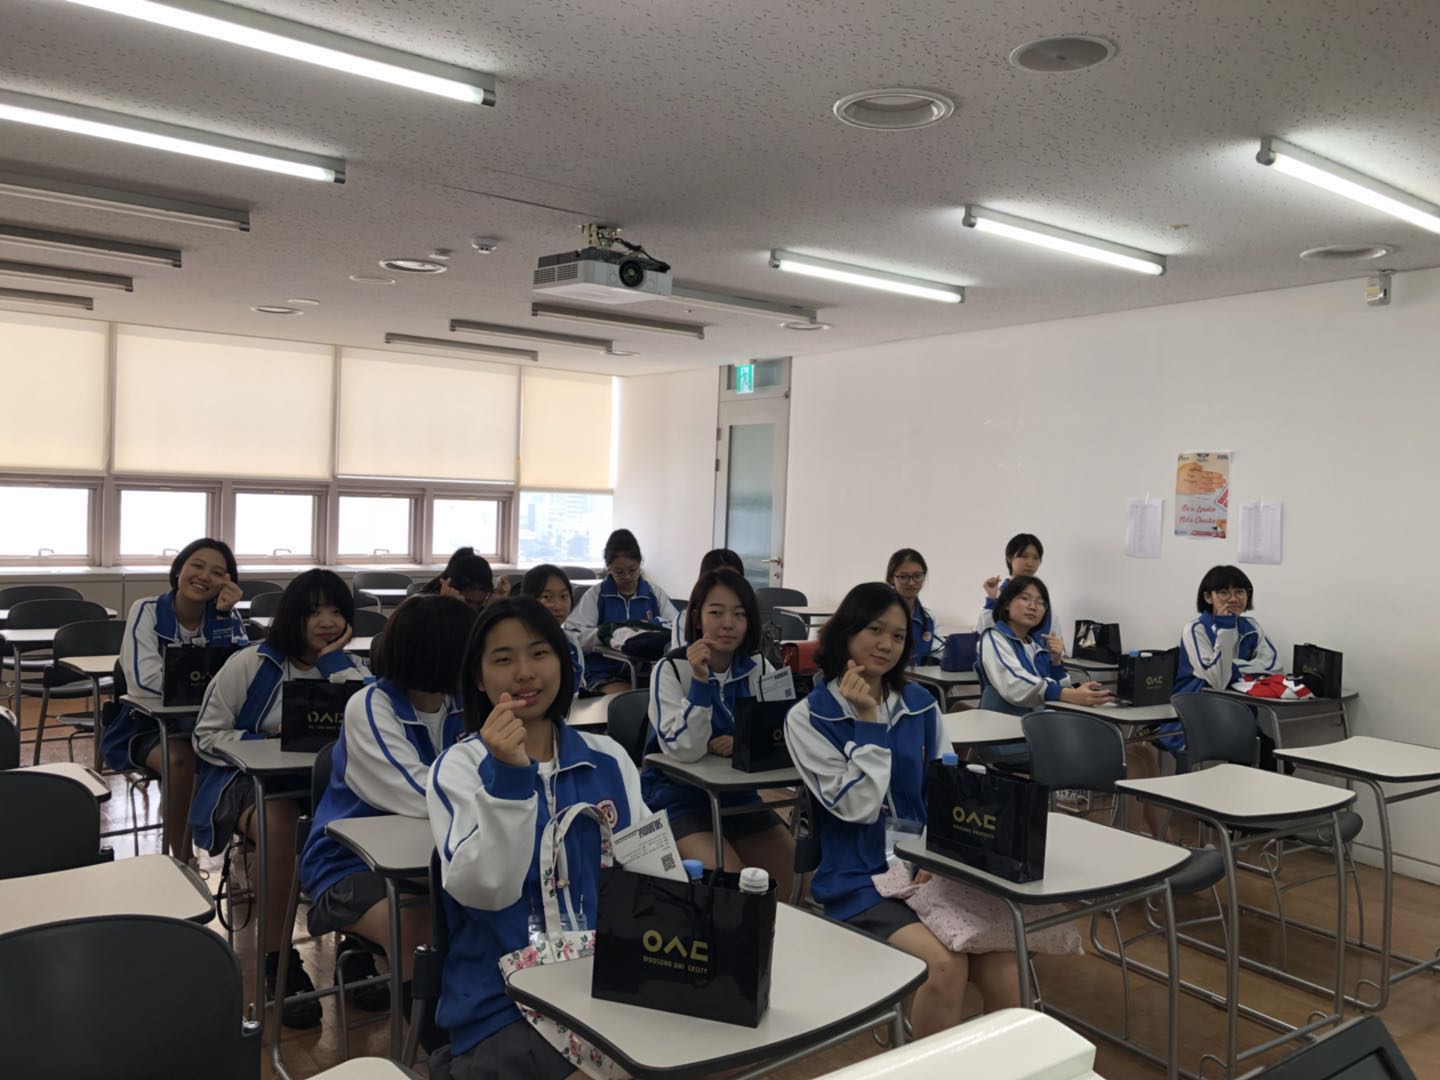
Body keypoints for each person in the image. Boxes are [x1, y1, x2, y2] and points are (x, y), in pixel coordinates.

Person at [785, 582, 1020, 1039]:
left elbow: (948, 791)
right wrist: (868, 723)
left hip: (926, 866)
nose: (886, 645)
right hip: (860, 877)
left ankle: (1003, 1066)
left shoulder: (920, 704)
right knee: (944, 967)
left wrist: (939, 856)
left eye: (897, 636)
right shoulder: (809, 717)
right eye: (875, 630)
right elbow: (858, 806)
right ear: (847, 632)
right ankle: (927, 1065)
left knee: (1006, 968)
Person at [427, 598, 648, 1078]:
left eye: (540, 653)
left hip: (606, 982)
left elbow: (650, 871)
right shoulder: (460, 768)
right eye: (504, 659)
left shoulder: (608, 758)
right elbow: (487, 890)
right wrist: (509, 779)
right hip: (504, 998)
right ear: (479, 678)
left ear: (564, 664)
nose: (525, 672)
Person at [190, 569, 369, 1028]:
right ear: (292, 615)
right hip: (249, 784)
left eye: (336, 611)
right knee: (280, 823)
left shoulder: (352, 669)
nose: (327, 621)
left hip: (326, 786)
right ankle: (278, 960)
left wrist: (334, 664)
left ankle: (359, 945)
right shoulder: (251, 664)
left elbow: (375, 729)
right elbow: (206, 735)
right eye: (314, 611)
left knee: (367, 818)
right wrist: (268, 739)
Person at [299, 594, 476, 1013]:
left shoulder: (463, 705)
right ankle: (428, 1036)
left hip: (437, 854)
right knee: (419, 926)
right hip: (348, 866)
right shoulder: (371, 706)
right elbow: (415, 791)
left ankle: (470, 1018)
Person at [644, 568, 795, 894]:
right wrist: (700, 682)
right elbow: (685, 750)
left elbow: (783, 734)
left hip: (740, 798)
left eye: (739, 614)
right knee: (732, 885)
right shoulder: (670, 670)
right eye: (716, 613)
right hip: (680, 800)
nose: (728, 623)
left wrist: (743, 740)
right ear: (697, 618)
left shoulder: (761, 667)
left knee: (793, 878)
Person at [100, 538, 247, 860]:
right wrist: (214, 694)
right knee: (181, 759)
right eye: (197, 566)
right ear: (179, 569)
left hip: (212, 724)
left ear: (227, 582)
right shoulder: (147, 610)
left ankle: (244, 857)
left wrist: (222, 617)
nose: (204, 576)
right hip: (147, 726)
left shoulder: (227, 617)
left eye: (217, 572)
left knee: (249, 756)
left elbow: (243, 677)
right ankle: (182, 860)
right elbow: (143, 681)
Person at [566, 528, 678, 693]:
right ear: (609, 568)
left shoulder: (653, 594)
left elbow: (677, 629)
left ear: (640, 564)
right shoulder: (597, 595)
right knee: (628, 697)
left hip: (649, 671)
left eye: (633, 570)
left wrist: (650, 627)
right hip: (605, 670)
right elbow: (572, 637)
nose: (627, 577)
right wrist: (608, 634)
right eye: (619, 572)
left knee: (668, 693)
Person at [1176, 565, 1279, 695]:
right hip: (1199, 698)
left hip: (1241, 695)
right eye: (1224, 592)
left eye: (1239, 592)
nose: (1233, 599)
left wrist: (1231, 668)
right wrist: (1225, 630)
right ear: (1208, 597)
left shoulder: (1251, 626)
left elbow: (1274, 667)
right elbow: (1218, 681)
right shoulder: (1195, 629)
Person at [976, 534, 1060, 645]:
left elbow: (1055, 637)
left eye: (1035, 558)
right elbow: (983, 635)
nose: (1030, 563)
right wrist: (991, 599)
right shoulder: (997, 595)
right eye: (1024, 556)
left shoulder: (1042, 600)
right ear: (1009, 558)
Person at [520, 564, 584, 695]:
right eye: (547, 597)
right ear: (527, 599)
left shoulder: (571, 642)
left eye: (564, 596)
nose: (558, 606)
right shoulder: (517, 642)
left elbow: (579, 690)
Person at [671, 548, 745, 649]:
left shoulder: (746, 615)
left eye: (734, 580)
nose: (728, 624)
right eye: (715, 613)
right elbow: (682, 654)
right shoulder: (684, 618)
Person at [886, 548, 943, 666]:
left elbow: (939, 653)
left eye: (917, 576)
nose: (911, 582)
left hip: (919, 677)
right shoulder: (880, 613)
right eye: (903, 577)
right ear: (891, 578)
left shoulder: (928, 618)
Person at [421, 547, 495, 611]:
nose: (474, 609)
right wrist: (450, 607)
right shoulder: (425, 607)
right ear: (450, 588)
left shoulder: (487, 603)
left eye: (480, 603)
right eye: (467, 602)